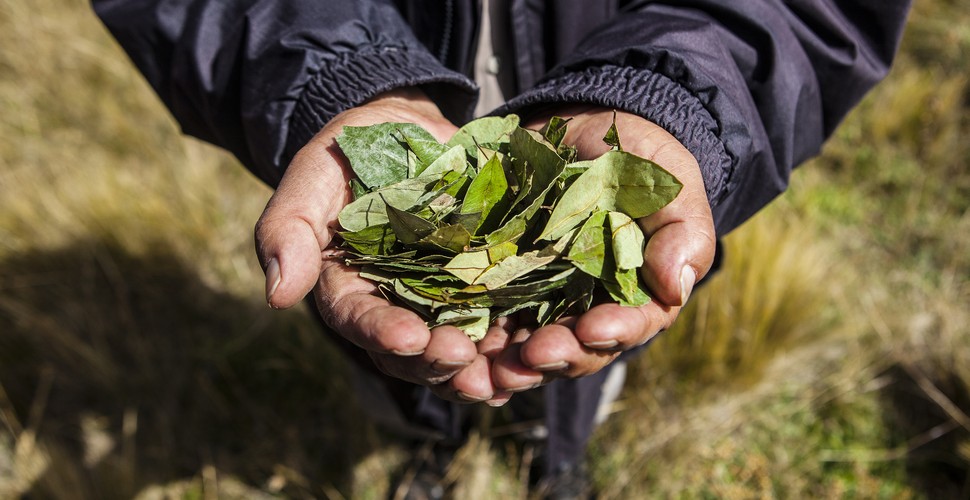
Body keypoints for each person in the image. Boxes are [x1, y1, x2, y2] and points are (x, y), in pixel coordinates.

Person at [92, 0, 912, 497]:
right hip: (402, 90)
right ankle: (427, 456)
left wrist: (669, 91)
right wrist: (341, 74)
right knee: (408, 356)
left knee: (577, 352)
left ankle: (556, 466)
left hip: (596, 91)